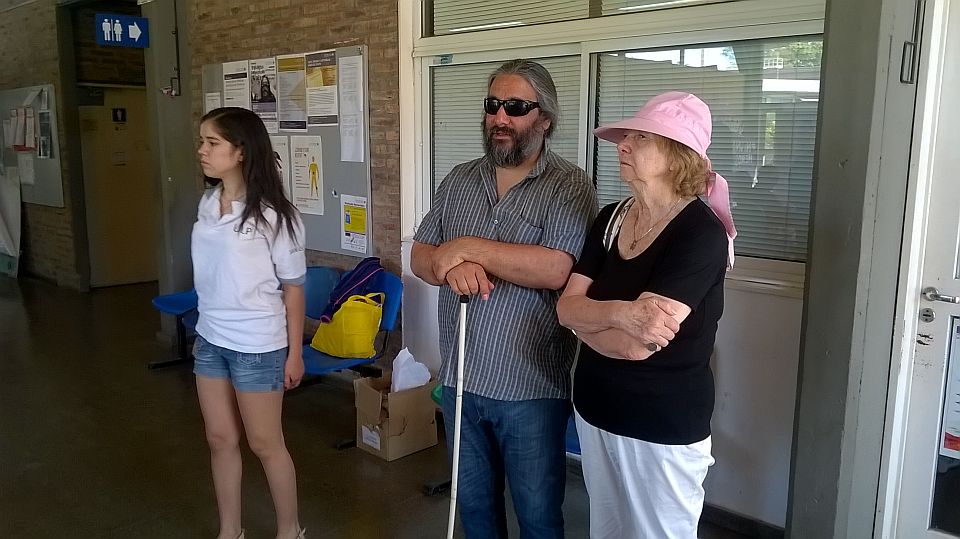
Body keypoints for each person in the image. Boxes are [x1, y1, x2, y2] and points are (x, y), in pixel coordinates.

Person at [411, 59, 597, 538]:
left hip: (530, 389)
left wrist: (466, 248)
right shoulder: (459, 179)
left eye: (515, 107)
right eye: (493, 105)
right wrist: (451, 265)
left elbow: (556, 268)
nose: (499, 117)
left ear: (545, 119)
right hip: (461, 380)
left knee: (538, 518)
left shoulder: (569, 185)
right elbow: (421, 257)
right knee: (474, 510)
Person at [556, 91, 737, 538]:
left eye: (641, 138)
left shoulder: (700, 234)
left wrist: (587, 321)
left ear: (677, 157)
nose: (623, 145)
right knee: (607, 531)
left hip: (661, 425)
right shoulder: (611, 219)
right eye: (626, 137)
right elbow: (565, 308)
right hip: (596, 410)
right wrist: (621, 313)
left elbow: (637, 347)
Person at [192, 107, 307, 539]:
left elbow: (293, 289)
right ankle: (230, 532)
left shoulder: (275, 215)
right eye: (202, 141)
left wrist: (294, 354)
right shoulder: (207, 204)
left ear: (240, 151)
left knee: (265, 443)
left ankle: (289, 531)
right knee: (219, 439)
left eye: (212, 143)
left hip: (258, 346)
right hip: (210, 340)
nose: (202, 150)